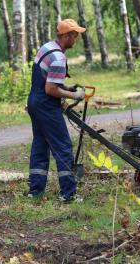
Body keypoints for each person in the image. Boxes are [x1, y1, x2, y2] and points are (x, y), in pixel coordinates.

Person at [26, 19, 86, 202]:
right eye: (75, 36)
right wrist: (75, 96)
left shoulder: (47, 48)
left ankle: (35, 192)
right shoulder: (59, 58)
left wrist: (66, 88)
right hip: (46, 104)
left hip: (34, 101)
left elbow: (48, 80)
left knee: (40, 145)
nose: (76, 40)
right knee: (63, 146)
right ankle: (68, 194)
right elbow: (50, 89)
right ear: (66, 36)